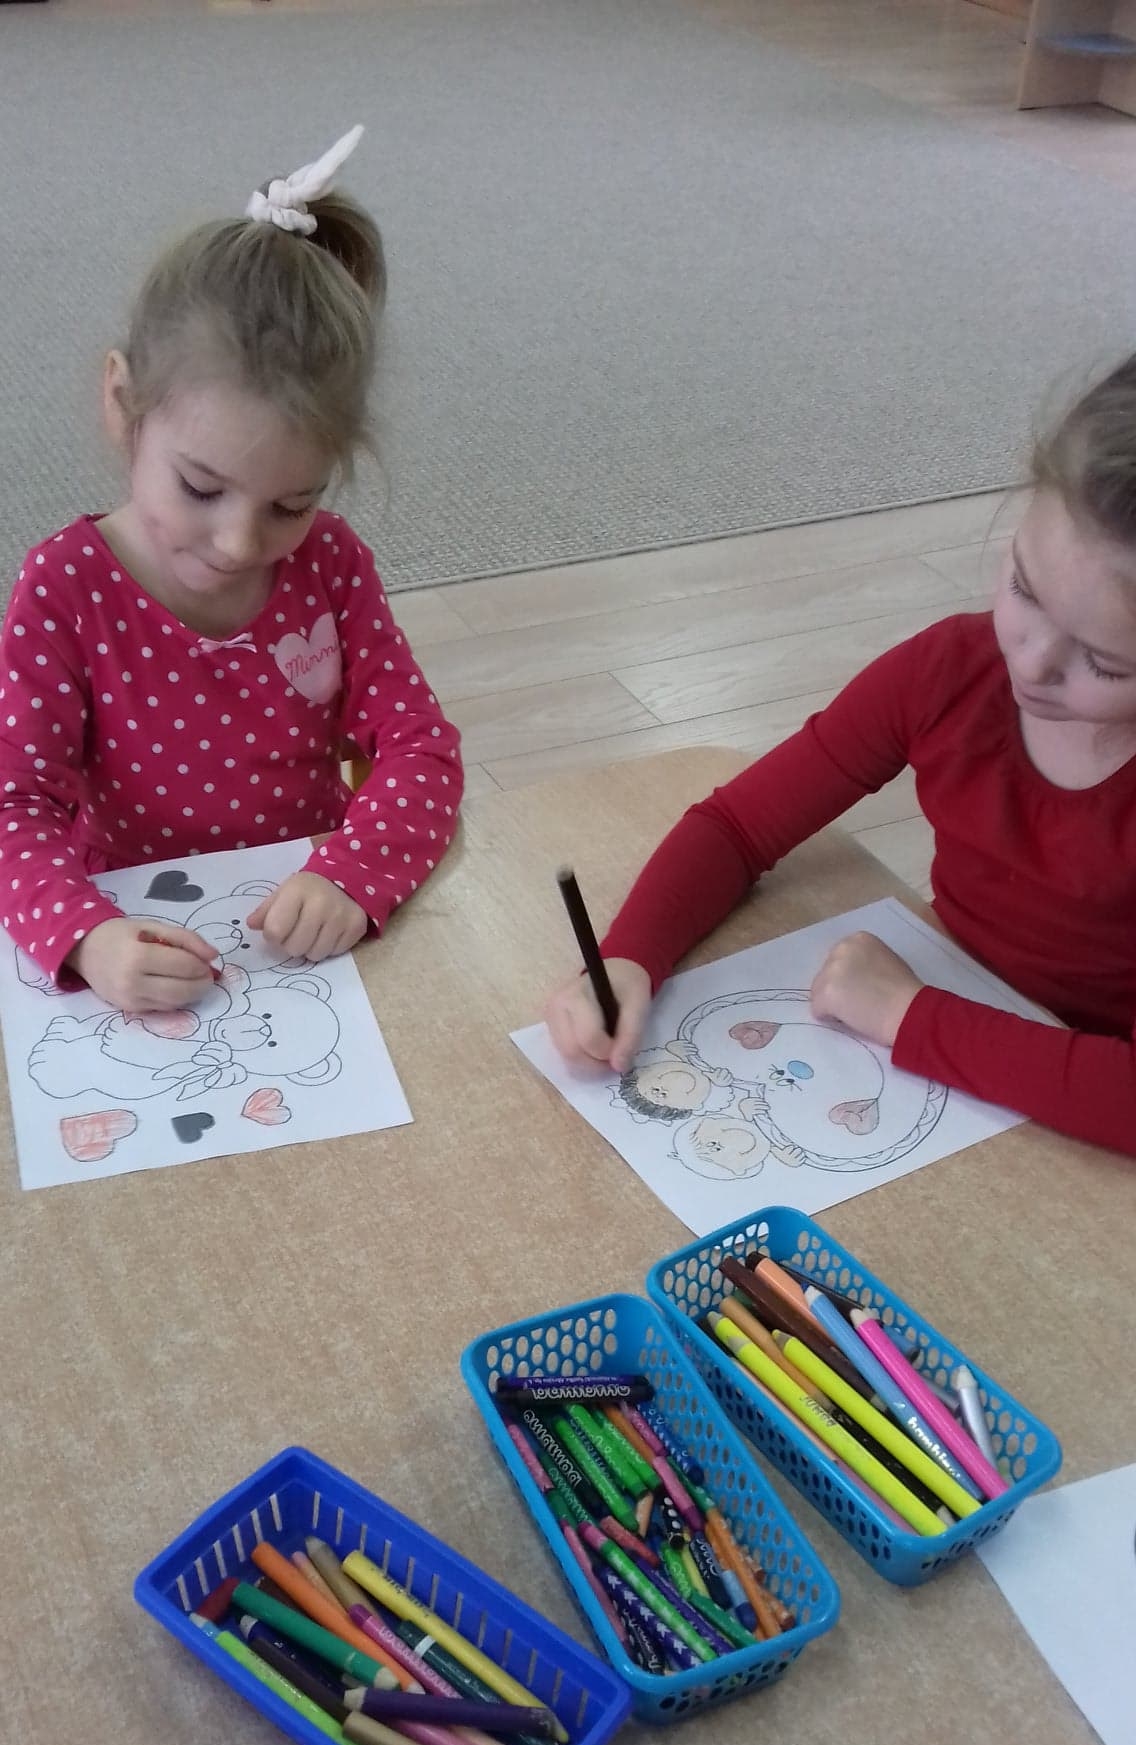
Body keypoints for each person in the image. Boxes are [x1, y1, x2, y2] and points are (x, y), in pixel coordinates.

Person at [545, 354, 1136, 1156]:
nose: (1030, 663)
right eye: (1025, 590)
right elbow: (737, 828)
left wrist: (909, 1015)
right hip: (954, 1068)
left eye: (1102, 662)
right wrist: (628, 957)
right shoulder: (952, 671)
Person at [0, 126, 462, 1013]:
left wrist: (355, 871)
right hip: (132, 931)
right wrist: (85, 935)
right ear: (122, 401)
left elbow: (421, 749)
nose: (241, 544)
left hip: (305, 944)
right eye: (201, 488)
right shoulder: (64, 587)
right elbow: (14, 806)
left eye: (292, 503)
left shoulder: (331, 564)